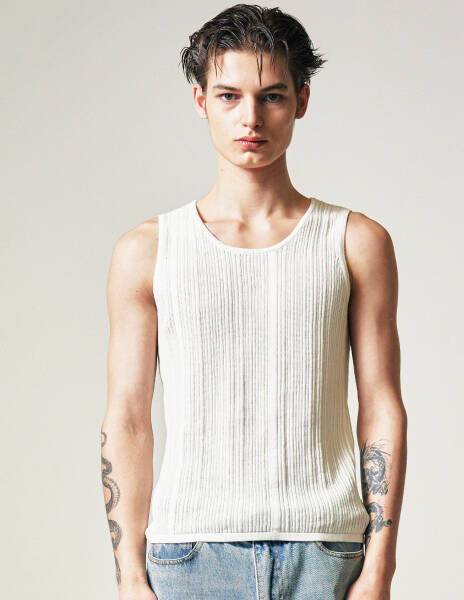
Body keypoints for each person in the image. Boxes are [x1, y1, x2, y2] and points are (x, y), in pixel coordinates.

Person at [100, 4, 407, 599]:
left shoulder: (356, 242)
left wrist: (379, 568)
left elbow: (381, 406)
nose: (251, 118)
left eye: (272, 96)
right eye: (229, 96)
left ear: (302, 100)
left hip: (325, 551)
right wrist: (130, 577)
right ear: (200, 101)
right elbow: (128, 419)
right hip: (189, 556)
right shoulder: (148, 251)